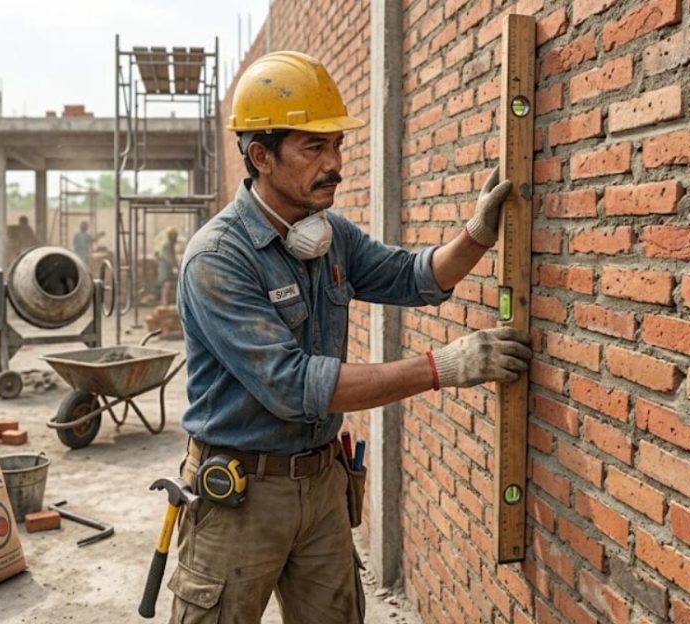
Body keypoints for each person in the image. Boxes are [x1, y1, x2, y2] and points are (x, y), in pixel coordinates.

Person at [171, 51, 531, 624]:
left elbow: (412, 276)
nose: (335, 162)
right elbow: (293, 385)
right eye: (314, 148)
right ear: (260, 156)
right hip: (241, 498)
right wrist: (444, 367)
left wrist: (478, 234)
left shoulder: (329, 234)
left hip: (321, 489)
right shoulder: (218, 259)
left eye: (337, 144)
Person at [153, 226, 179, 298]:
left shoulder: (168, 243)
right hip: (165, 266)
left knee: (166, 284)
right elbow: (170, 257)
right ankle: (164, 303)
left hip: (165, 265)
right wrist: (175, 267)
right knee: (166, 284)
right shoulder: (168, 244)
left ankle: (164, 302)